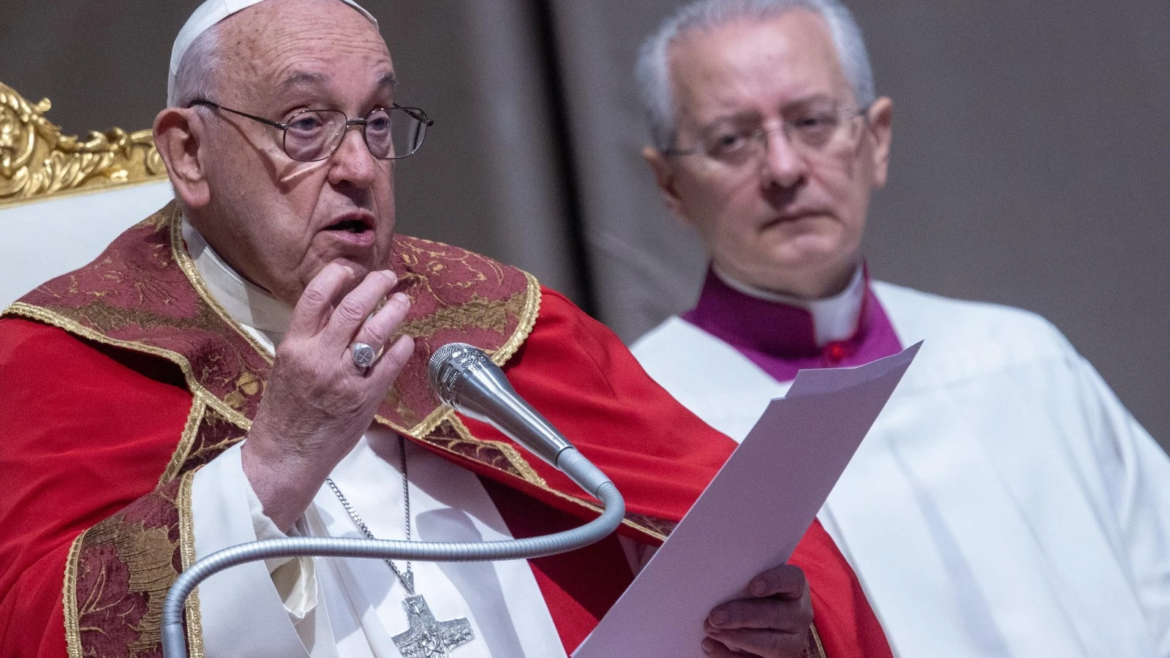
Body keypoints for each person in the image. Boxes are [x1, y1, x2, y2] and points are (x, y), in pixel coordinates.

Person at [0, 1, 896, 657]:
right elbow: (37, 627)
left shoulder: (493, 318)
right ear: (189, 153)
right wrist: (272, 467)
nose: (357, 166)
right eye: (307, 124)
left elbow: (713, 538)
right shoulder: (67, 357)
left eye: (379, 120)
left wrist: (767, 629)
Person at [629, 0, 1170, 656]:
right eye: (732, 140)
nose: (783, 168)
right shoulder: (642, 421)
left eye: (811, 121)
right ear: (670, 185)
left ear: (876, 139)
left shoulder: (1022, 359)